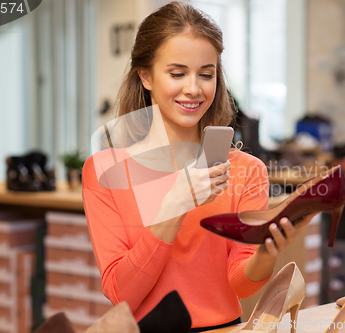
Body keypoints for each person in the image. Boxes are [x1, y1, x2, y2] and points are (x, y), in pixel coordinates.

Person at [82, 2, 312, 331]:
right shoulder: (104, 170)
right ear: (145, 75)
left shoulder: (247, 170)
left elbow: (241, 284)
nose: (194, 88)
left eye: (206, 74)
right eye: (177, 73)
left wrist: (266, 251)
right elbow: (121, 294)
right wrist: (174, 208)